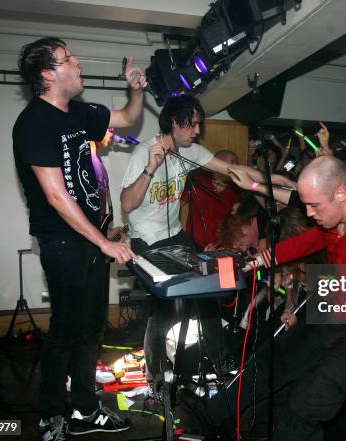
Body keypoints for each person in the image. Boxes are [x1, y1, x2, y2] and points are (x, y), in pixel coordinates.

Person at [180, 156, 346, 441]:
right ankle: (211, 418)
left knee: (304, 407)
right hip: (341, 311)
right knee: (270, 364)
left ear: (341, 193)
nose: (309, 213)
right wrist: (256, 262)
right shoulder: (332, 220)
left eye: (314, 206)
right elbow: (304, 243)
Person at [13, 37, 142, 441]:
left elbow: (127, 117)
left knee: (91, 328)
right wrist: (103, 242)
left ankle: (86, 409)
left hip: (90, 241)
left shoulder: (81, 113)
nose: (78, 63)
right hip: (62, 243)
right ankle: (52, 415)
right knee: (66, 331)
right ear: (48, 74)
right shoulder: (33, 122)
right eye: (68, 60)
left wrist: (136, 89)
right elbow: (55, 195)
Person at [120, 94, 290, 382]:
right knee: (162, 311)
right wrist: (150, 168)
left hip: (175, 235)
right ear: (175, 122)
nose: (198, 131)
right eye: (193, 125)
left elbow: (233, 170)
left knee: (211, 289)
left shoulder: (190, 151)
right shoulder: (143, 154)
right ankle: (155, 377)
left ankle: (221, 364)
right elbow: (126, 204)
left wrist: (274, 181)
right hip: (146, 242)